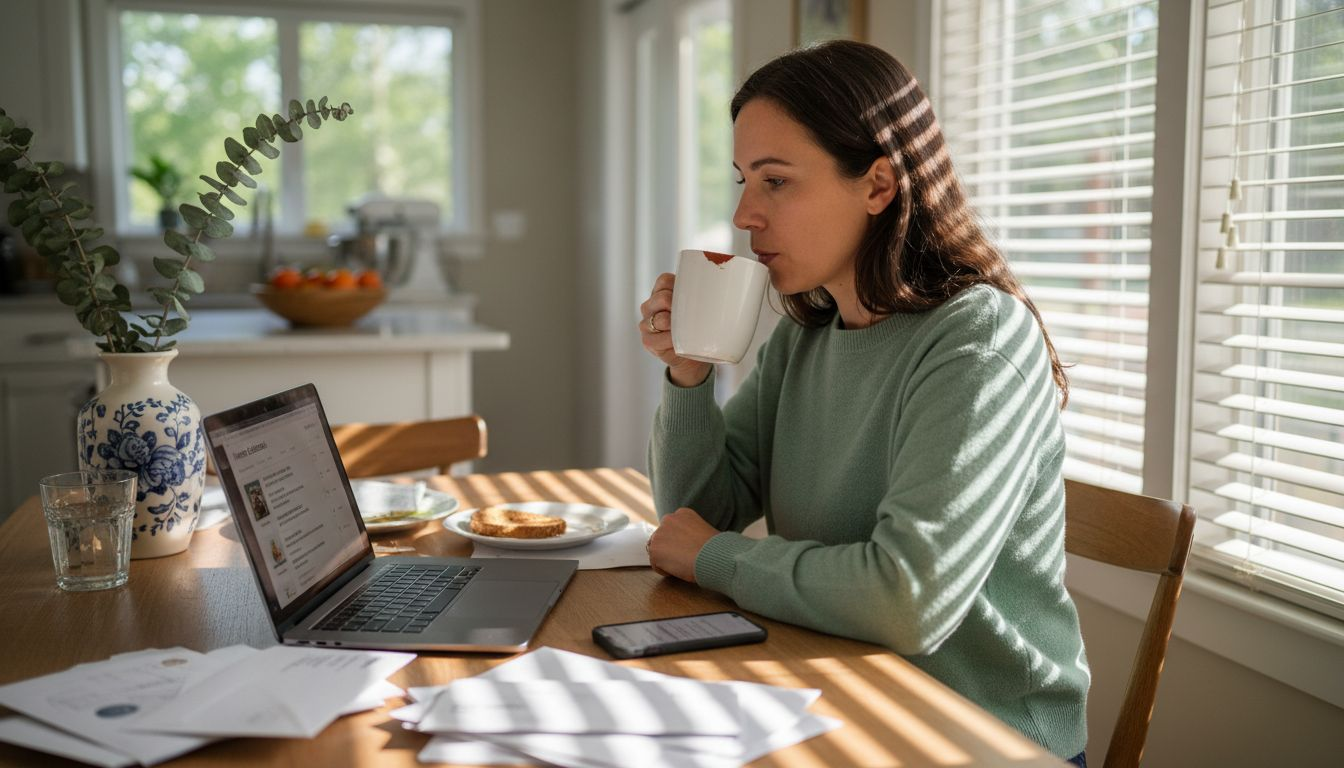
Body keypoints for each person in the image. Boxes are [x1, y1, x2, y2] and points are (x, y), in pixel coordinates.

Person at [637, 40, 1089, 766]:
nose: (745, 215)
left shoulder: (975, 340)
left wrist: (715, 557)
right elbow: (696, 518)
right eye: (743, 181)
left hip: (975, 735)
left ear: (878, 185)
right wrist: (689, 379)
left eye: (776, 181)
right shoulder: (806, 336)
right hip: (833, 692)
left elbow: (907, 599)